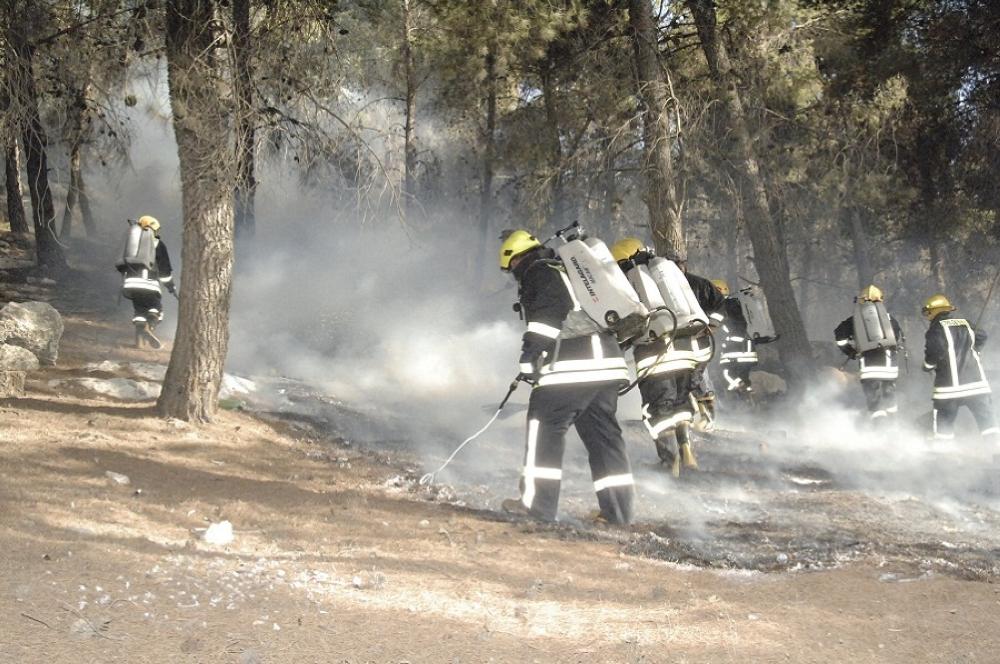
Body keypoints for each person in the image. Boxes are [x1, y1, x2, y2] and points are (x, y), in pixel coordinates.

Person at [498, 229, 634, 524]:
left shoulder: (539, 272)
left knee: (544, 427)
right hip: (608, 363)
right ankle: (618, 513)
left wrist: (529, 357)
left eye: (511, 269)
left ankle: (536, 506)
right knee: (604, 438)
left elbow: (549, 314)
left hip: (573, 365)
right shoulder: (568, 269)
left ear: (516, 259)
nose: (513, 275)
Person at [609, 238, 725, 477]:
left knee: (658, 409)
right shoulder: (667, 272)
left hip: (656, 356)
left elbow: (631, 324)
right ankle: (686, 450)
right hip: (690, 351)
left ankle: (669, 461)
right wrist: (711, 327)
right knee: (681, 403)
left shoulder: (630, 280)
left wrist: (616, 348)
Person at [921, 294, 999, 443]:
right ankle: (995, 448)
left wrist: (927, 366)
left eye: (928, 312)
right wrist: (975, 350)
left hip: (949, 390)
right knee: (988, 423)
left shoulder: (936, 329)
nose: (927, 316)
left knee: (944, 424)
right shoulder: (966, 323)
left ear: (934, 311)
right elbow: (982, 336)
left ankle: (943, 452)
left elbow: (934, 352)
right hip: (977, 386)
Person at [834, 285, 904, 426]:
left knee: (874, 399)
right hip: (890, 367)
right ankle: (893, 425)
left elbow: (839, 335)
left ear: (861, 301)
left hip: (870, 367)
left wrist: (850, 351)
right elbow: (896, 339)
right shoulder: (890, 319)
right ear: (880, 300)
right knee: (889, 395)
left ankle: (879, 427)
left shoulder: (855, 319)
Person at [712, 279, 776, 401]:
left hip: (735, 349)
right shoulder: (736, 303)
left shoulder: (722, 307)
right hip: (748, 348)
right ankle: (751, 398)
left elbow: (716, 325)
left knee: (726, 373)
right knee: (743, 375)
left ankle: (743, 393)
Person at [116, 215, 175, 349]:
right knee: (156, 309)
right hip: (149, 283)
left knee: (140, 312)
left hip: (130, 284)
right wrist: (171, 286)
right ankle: (150, 327)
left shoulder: (132, 243)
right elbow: (165, 272)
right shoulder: (158, 244)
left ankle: (139, 341)